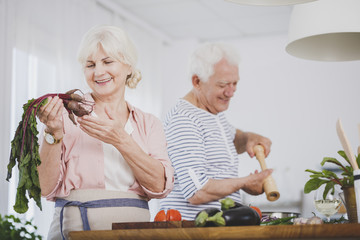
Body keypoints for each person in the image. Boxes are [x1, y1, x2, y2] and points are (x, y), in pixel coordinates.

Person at [37, 25, 174, 239]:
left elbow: (159, 186)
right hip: (74, 232)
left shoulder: (149, 124)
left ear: (128, 66)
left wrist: (120, 140)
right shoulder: (63, 118)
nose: (99, 72)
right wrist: (52, 133)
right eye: (90, 65)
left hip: (135, 235)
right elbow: (44, 188)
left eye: (108, 62)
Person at [159, 42, 273, 220]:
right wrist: (245, 183)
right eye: (223, 85)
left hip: (217, 226)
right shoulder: (184, 119)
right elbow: (197, 191)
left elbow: (232, 139)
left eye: (235, 83)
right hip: (192, 230)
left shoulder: (212, 112)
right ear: (197, 82)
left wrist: (249, 138)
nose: (230, 92)